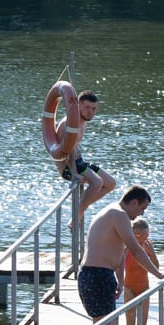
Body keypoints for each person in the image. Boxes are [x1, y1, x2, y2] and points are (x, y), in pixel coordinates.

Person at [79, 185, 164, 325]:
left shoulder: (115, 215)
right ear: (134, 202)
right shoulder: (118, 214)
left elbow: (118, 252)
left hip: (102, 275)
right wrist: (158, 274)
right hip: (95, 274)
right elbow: (135, 250)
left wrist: (120, 280)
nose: (141, 214)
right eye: (142, 209)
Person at [58, 90, 117, 226]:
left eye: (94, 109)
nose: (91, 112)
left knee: (111, 183)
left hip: (79, 162)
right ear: (79, 105)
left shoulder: (83, 120)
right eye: (87, 108)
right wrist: (73, 173)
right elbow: (64, 153)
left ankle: (80, 210)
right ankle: (76, 217)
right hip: (69, 166)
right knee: (97, 183)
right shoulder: (72, 123)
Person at [120, 217, 160, 325]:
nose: (142, 239)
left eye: (145, 236)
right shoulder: (126, 247)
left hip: (144, 288)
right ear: (131, 234)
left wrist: (151, 253)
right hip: (129, 288)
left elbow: (156, 267)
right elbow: (118, 264)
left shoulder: (147, 247)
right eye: (138, 237)